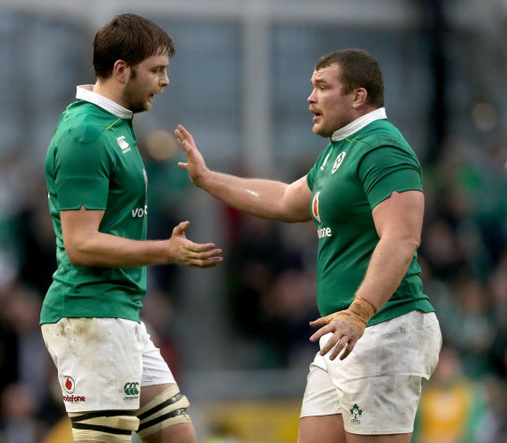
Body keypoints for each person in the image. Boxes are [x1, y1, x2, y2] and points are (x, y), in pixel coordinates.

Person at [175, 48, 442, 442]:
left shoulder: (383, 148)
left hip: (383, 328)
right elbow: (285, 200)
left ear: (357, 96)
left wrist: (359, 312)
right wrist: (209, 179)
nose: (309, 98)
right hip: (345, 335)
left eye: (321, 87)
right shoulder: (339, 152)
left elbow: (402, 239)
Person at [41, 14, 223, 443]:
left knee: (179, 436)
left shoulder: (115, 125)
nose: (165, 81)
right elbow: (81, 244)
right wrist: (167, 251)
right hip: (90, 315)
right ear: (122, 70)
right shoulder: (86, 135)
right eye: (157, 70)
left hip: (120, 315)